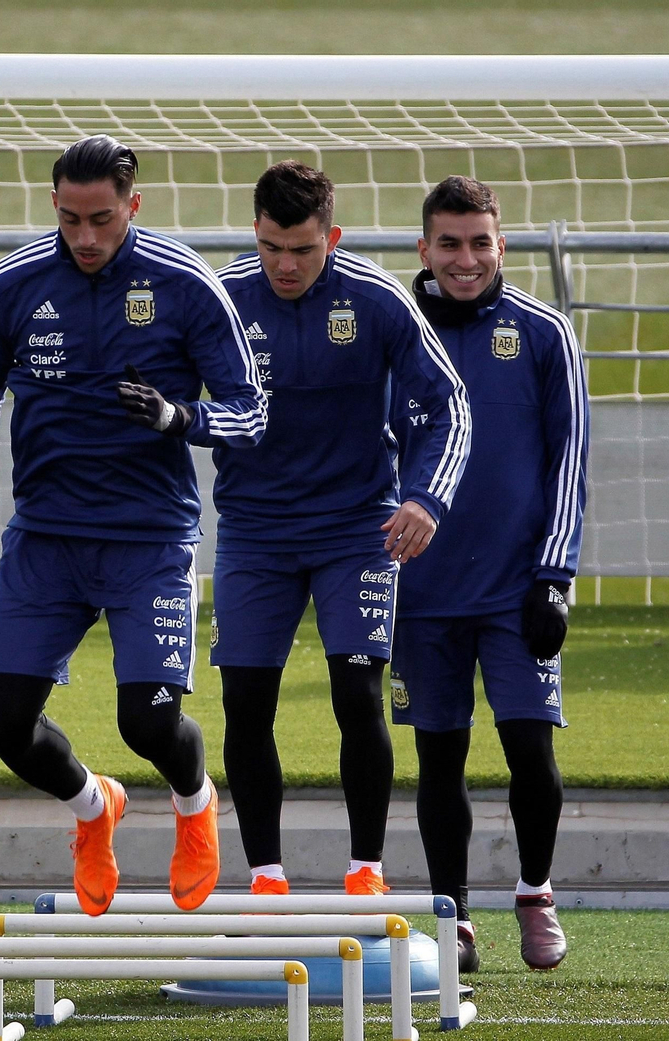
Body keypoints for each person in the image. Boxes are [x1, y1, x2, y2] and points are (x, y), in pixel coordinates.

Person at [0, 134, 267, 915]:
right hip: (46, 538)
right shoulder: (15, 283)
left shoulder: (183, 282)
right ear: (54, 204)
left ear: (133, 207)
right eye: (71, 218)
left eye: (103, 219)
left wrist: (179, 415)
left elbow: (251, 410)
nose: (86, 237)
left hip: (149, 538)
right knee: (5, 721)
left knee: (148, 719)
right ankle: (95, 808)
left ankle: (193, 803)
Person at [212, 160, 471, 897]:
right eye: (271, 247)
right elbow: (164, 393)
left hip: (357, 528)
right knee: (245, 699)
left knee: (357, 694)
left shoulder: (377, 299)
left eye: (303, 248)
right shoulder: (222, 298)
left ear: (334, 235)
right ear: (254, 234)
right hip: (255, 532)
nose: (286, 265)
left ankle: (366, 871)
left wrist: (426, 499)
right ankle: (266, 878)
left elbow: (448, 403)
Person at [393, 175, 588, 972]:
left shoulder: (544, 332)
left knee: (531, 755)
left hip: (517, 591)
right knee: (439, 760)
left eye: (480, 242)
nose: (465, 258)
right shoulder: (395, 331)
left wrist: (555, 573)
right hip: (421, 594)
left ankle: (535, 890)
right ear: (424, 249)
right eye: (449, 242)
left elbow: (570, 461)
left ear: (501, 245)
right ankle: (455, 916)